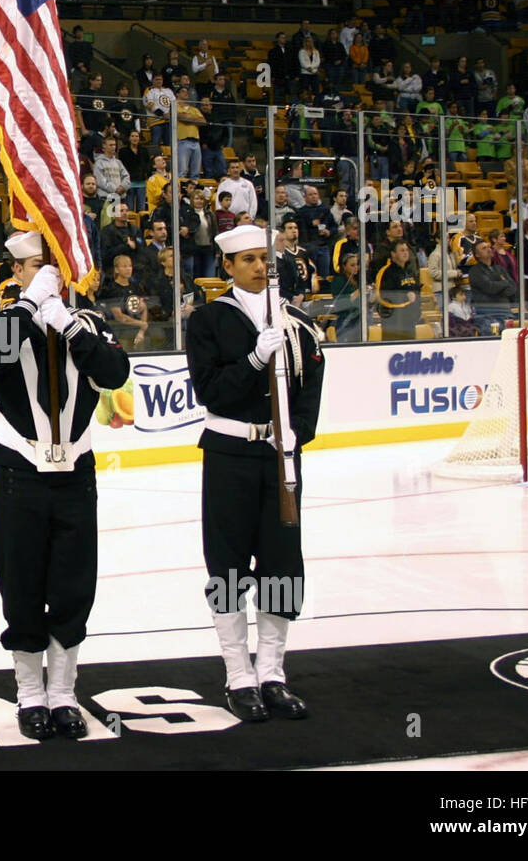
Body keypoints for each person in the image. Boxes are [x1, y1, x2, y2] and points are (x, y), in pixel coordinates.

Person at [0, 230, 129, 739]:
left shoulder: (86, 323)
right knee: (22, 586)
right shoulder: (2, 323)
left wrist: (65, 321)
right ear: (16, 272)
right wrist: (27, 305)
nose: (48, 275)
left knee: (72, 586)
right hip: (20, 472)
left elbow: (114, 372)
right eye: (36, 266)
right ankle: (29, 693)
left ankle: (63, 692)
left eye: (52, 267)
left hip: (75, 475)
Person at [184, 224, 324, 723]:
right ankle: (238, 676)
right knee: (227, 565)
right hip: (229, 454)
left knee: (283, 565)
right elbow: (212, 391)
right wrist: (254, 358)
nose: (261, 267)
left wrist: (296, 435)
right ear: (227, 266)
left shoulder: (297, 323)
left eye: (265, 258)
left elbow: (311, 387)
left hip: (279, 457)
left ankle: (272, 673)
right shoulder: (207, 321)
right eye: (248, 260)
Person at [376, 239, 421, 340]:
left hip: (410, 323)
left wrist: (417, 312)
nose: (405, 253)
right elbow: (383, 298)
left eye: (406, 250)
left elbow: (417, 292)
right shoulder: (386, 272)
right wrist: (405, 297)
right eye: (402, 250)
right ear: (393, 254)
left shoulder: (411, 271)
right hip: (393, 325)